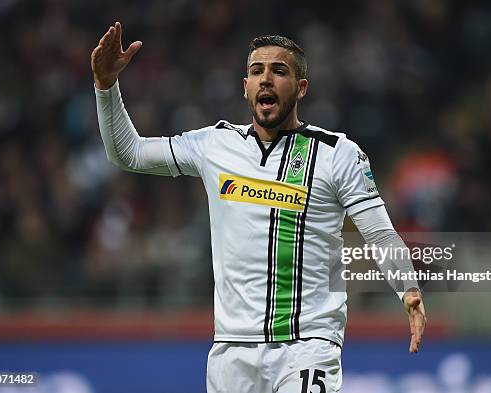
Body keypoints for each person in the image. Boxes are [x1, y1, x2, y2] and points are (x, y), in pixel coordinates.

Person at [91, 22, 426, 393]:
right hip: (230, 351)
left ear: (301, 89)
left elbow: (379, 232)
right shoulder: (214, 145)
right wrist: (106, 86)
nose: (266, 79)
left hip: (307, 344)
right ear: (245, 87)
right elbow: (128, 153)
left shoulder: (338, 155)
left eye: (279, 71)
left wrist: (408, 290)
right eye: (256, 71)